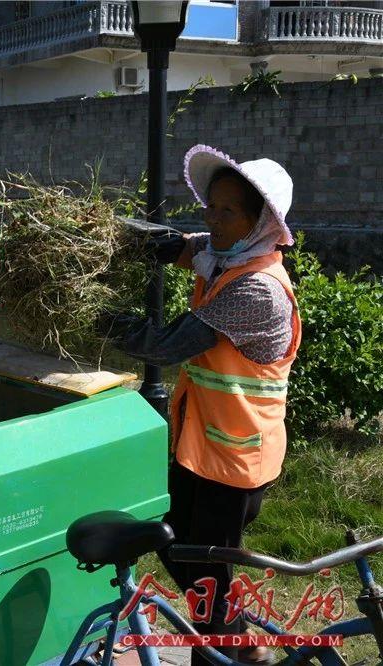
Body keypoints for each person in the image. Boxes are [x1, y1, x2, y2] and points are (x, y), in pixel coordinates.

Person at [103, 145, 301, 665]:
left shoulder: (257, 290)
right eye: (210, 205)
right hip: (206, 444)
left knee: (204, 578)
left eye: (226, 211)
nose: (210, 219)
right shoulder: (226, 254)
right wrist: (102, 229)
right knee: (170, 537)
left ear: (259, 224)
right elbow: (172, 245)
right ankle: (238, 639)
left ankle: (237, 651)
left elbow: (164, 346)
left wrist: (95, 317)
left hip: (235, 459)